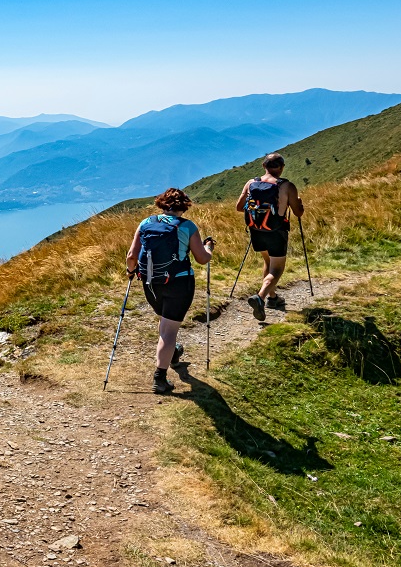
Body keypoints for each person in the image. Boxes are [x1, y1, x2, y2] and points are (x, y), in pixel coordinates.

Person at [125, 188, 215, 394]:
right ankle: (160, 377)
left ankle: (173, 353)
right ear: (184, 206)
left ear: (161, 204)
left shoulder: (146, 223)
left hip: (150, 283)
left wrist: (130, 272)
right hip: (179, 283)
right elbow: (202, 258)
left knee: (164, 321)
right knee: (168, 330)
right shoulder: (187, 226)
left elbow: (132, 255)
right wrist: (208, 248)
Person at [235, 153, 304, 321]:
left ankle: (272, 298)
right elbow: (298, 212)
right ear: (281, 168)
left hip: (256, 231)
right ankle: (260, 296)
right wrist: (298, 201)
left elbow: (239, 207)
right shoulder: (286, 186)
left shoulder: (251, 183)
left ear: (263, 166)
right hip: (276, 231)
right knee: (277, 269)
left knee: (268, 262)